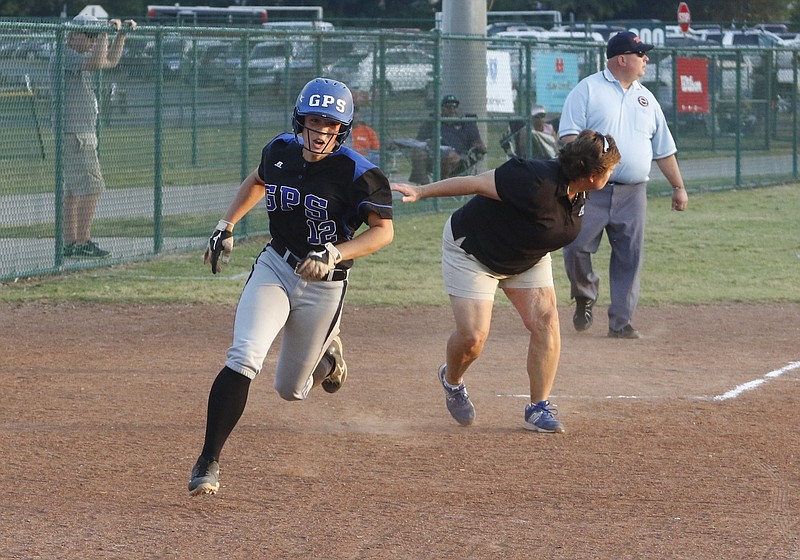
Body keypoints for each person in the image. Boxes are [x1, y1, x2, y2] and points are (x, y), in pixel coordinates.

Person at [188, 78, 394, 495]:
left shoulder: (359, 172)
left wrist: (335, 253)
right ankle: (208, 460)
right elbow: (258, 180)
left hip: (325, 283)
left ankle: (329, 362)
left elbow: (383, 232)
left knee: (290, 390)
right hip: (276, 266)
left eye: (331, 125)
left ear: (344, 129)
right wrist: (225, 225)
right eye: (314, 121)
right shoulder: (280, 149)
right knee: (244, 356)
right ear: (299, 120)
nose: (320, 132)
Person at [391, 130, 621, 433]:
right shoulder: (533, 179)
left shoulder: (578, 190)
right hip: (474, 251)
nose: (613, 171)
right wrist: (421, 191)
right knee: (473, 337)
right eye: (610, 168)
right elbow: (475, 182)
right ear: (592, 174)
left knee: (546, 322)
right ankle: (453, 380)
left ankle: (538, 408)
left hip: (528, 257)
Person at [559, 31, 689, 339]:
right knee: (575, 246)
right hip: (591, 188)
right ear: (622, 59)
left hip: (634, 192)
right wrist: (584, 173)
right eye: (640, 54)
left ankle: (621, 322)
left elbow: (663, 149)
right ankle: (584, 295)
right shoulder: (587, 90)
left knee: (630, 256)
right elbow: (568, 137)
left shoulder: (647, 98)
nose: (646, 59)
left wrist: (678, 186)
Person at [57, 14, 137, 258]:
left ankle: (71, 243)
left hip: (80, 131)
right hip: (75, 132)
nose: (92, 42)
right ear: (73, 36)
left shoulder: (80, 56)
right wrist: (104, 32)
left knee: (74, 189)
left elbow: (109, 61)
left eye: (95, 37)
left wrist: (119, 35)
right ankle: (82, 240)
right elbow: (97, 60)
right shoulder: (65, 53)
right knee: (92, 187)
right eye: (89, 36)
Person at [408, 94, 487, 184]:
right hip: (433, 157)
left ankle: (441, 186)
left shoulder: (466, 123)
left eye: (455, 107)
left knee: (448, 155)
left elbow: (479, 144)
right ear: (441, 109)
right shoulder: (432, 123)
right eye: (448, 107)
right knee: (417, 152)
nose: (452, 110)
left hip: (458, 160)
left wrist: (478, 147)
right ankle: (426, 187)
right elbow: (418, 142)